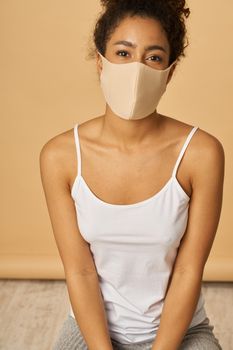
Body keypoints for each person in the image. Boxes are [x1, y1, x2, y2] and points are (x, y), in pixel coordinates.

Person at [40, 0, 224, 349]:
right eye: (123, 53)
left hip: (181, 333)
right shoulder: (60, 156)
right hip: (90, 331)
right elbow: (80, 271)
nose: (136, 69)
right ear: (100, 61)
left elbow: (188, 271)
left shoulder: (201, 154)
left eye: (153, 57)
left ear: (169, 73)